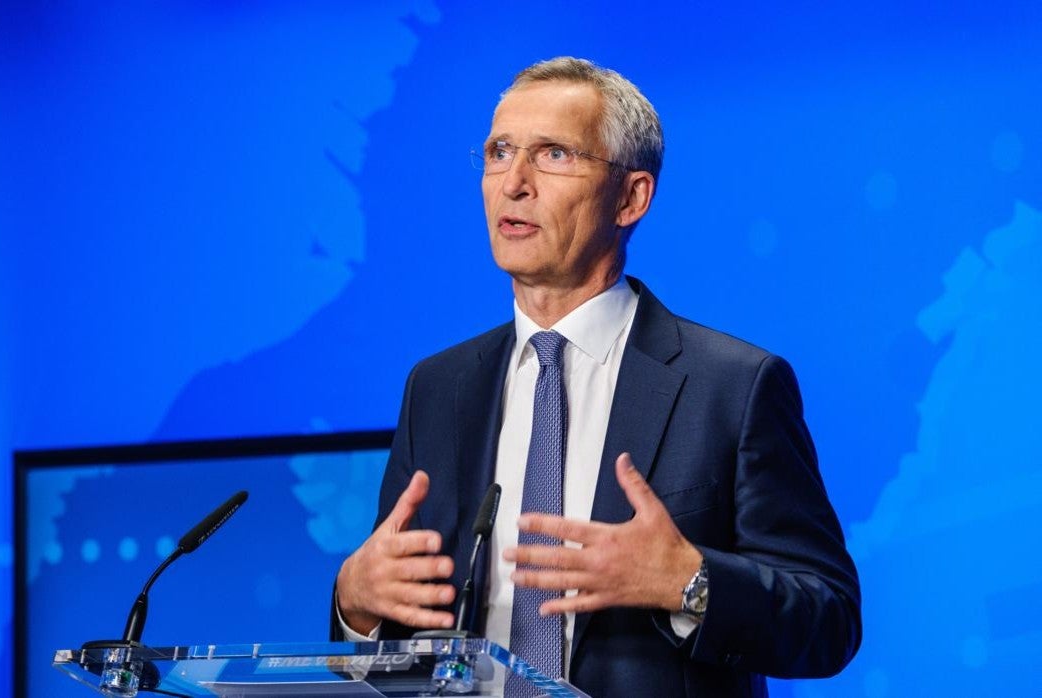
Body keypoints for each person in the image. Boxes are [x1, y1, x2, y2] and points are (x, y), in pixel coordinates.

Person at [333, 56, 861, 697]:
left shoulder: (734, 385)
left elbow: (829, 617)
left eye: (553, 154)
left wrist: (686, 581)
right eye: (499, 151)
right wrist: (354, 602)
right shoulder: (439, 387)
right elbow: (396, 627)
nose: (513, 182)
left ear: (631, 197)